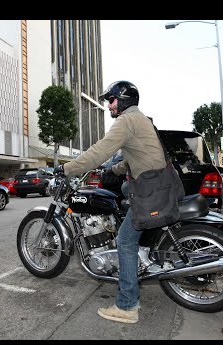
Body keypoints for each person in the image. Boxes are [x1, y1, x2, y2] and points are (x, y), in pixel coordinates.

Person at [54, 80, 183, 324]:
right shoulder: (142, 119)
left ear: (122, 100)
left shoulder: (125, 121)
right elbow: (141, 154)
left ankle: (127, 306)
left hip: (150, 189)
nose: (108, 105)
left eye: (110, 100)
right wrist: (114, 169)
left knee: (125, 241)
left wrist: (68, 168)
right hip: (159, 184)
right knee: (122, 192)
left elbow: (99, 150)